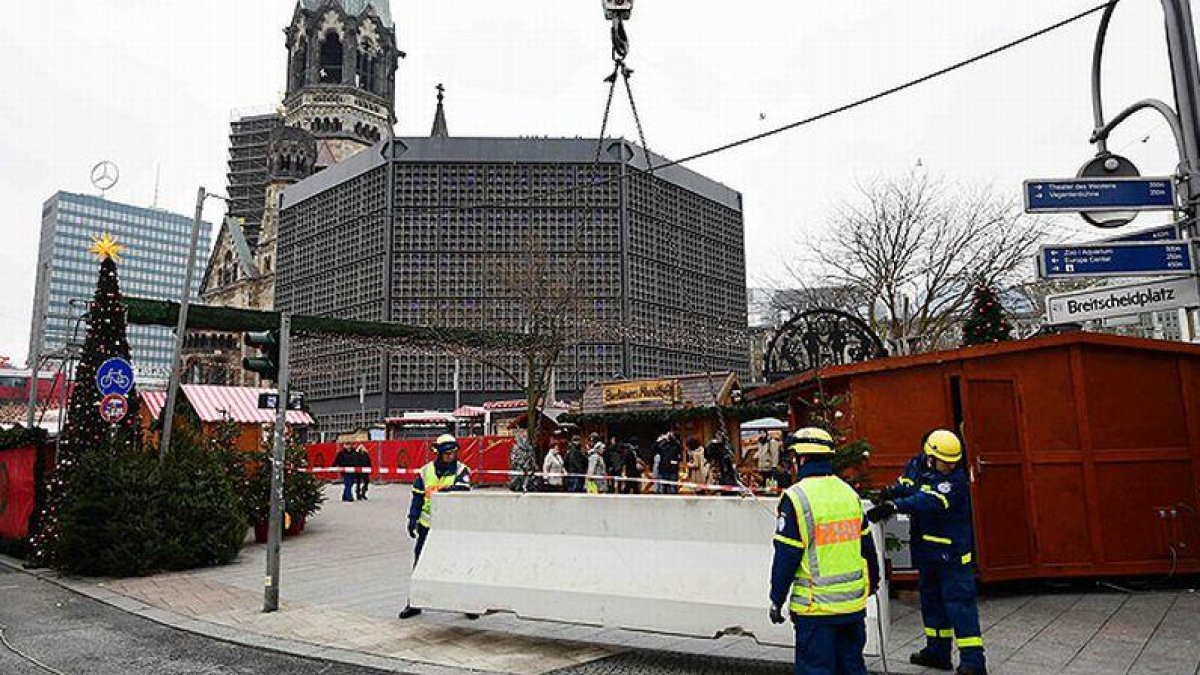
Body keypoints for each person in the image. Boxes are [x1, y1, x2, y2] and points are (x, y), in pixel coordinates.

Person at [867, 429, 986, 675]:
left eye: (953, 462)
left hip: (952, 554)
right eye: (945, 462)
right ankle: (938, 652)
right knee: (931, 603)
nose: (949, 467)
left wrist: (894, 505)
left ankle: (974, 662)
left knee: (959, 606)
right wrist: (889, 493)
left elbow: (928, 499)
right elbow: (907, 485)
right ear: (930, 456)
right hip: (927, 550)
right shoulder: (918, 464)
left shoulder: (955, 481)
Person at [770, 427, 879, 675]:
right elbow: (867, 546)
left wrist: (776, 598)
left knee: (816, 670)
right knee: (851, 667)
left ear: (802, 458)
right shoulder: (849, 493)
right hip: (852, 607)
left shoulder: (796, 497)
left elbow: (786, 555)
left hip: (816, 609)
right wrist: (873, 582)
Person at [399, 434, 472, 620]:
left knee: (459, 565)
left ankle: (468, 604)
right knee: (420, 564)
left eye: (454, 452)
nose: (451, 456)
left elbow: (463, 489)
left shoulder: (462, 470)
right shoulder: (425, 472)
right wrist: (412, 518)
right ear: (438, 453)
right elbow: (417, 496)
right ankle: (414, 603)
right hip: (427, 526)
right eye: (447, 453)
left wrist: (448, 491)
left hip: (452, 527)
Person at [654, 428, 683, 494]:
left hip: (672, 470)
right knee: (663, 487)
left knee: (673, 488)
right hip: (663, 469)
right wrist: (659, 440)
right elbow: (654, 448)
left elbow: (680, 448)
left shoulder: (675, 447)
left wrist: (674, 438)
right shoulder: (662, 446)